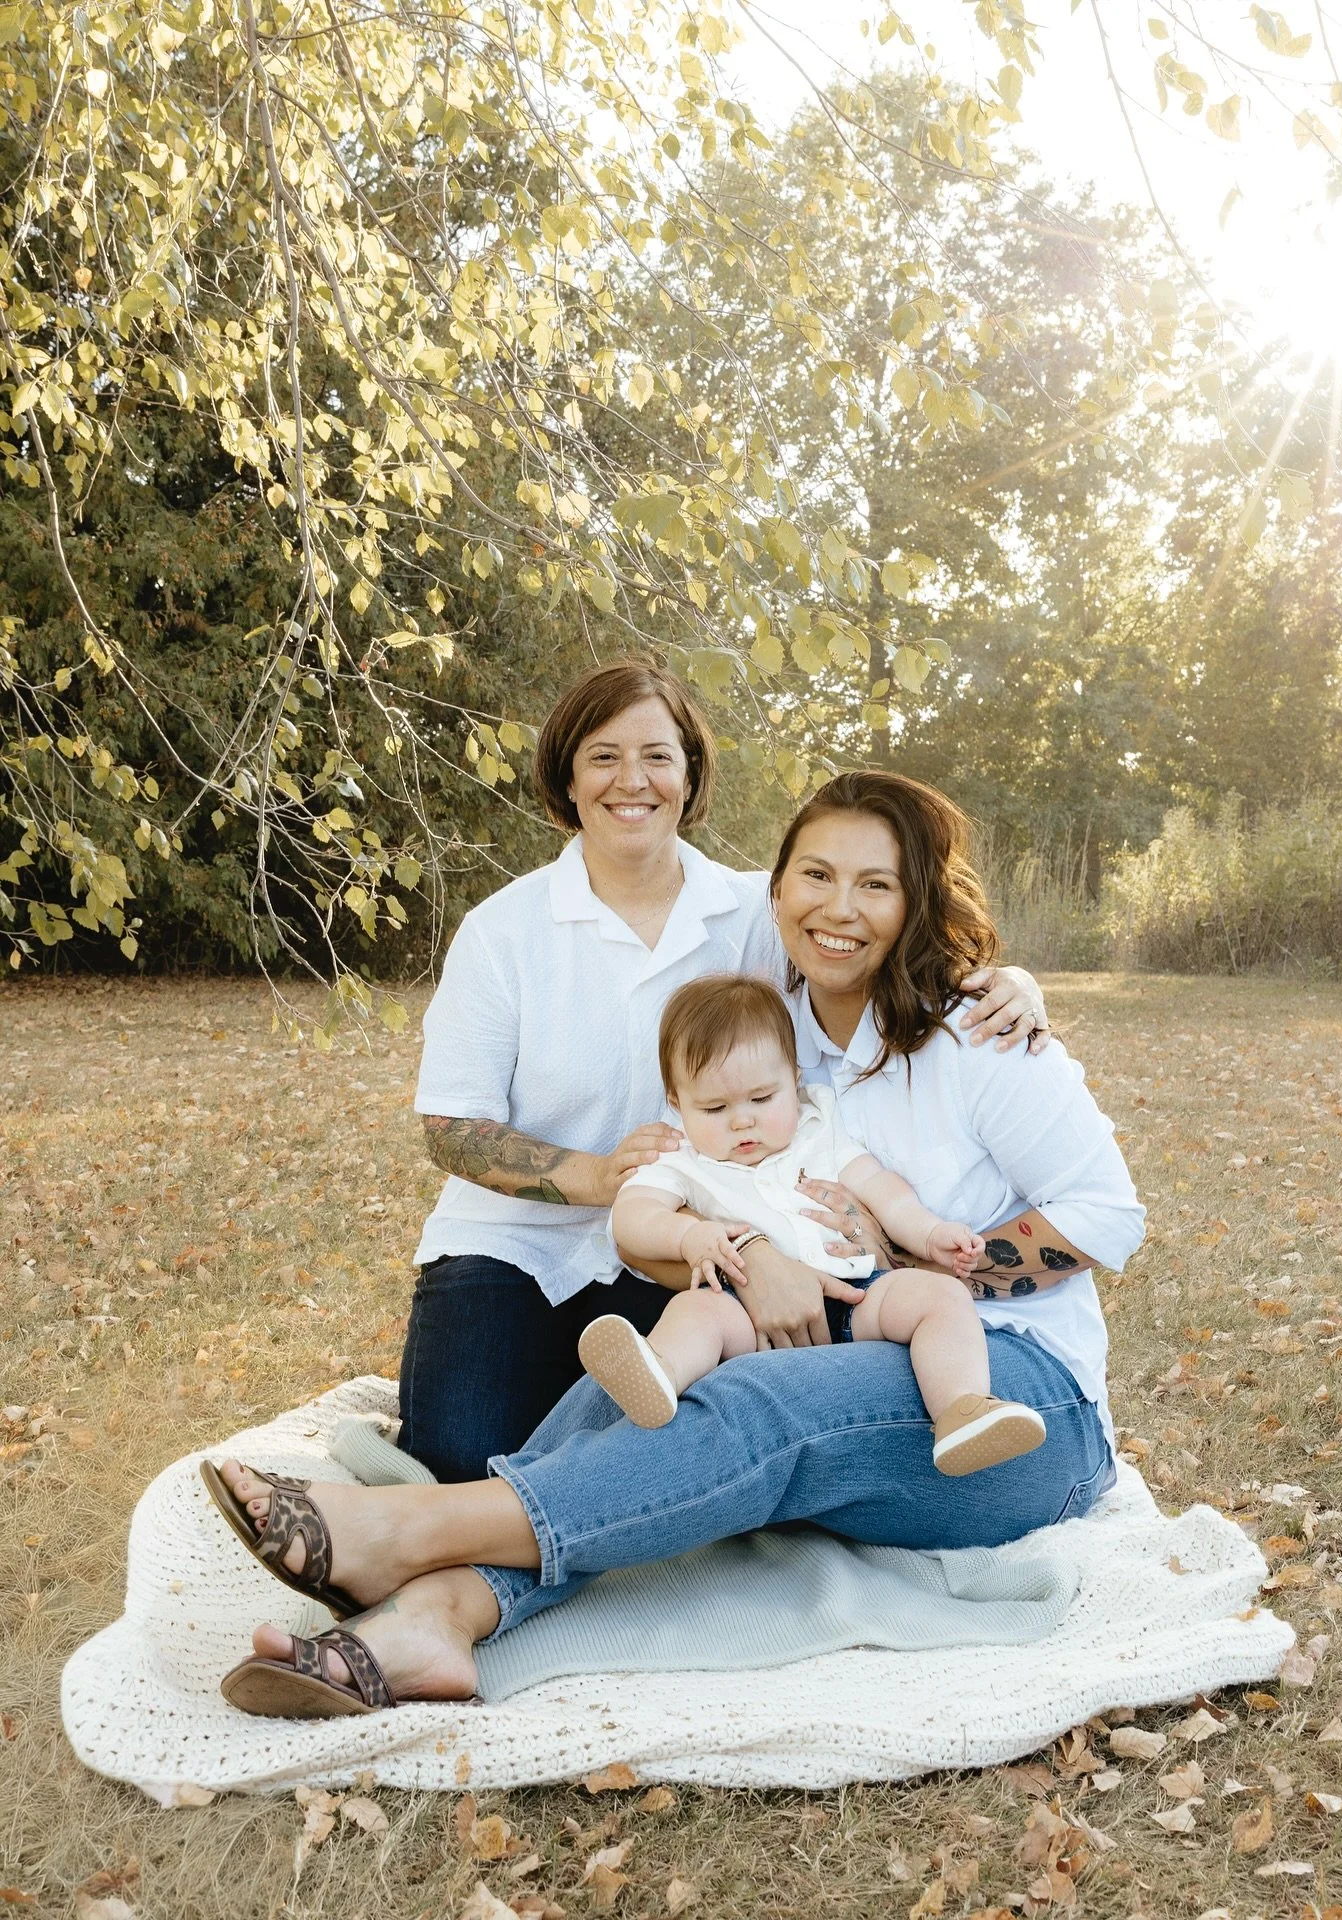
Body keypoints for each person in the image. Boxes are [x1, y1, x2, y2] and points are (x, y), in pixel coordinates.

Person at [206, 767, 1144, 1719]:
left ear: (917, 903)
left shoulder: (980, 1036)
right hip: (845, 1357)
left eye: (877, 884)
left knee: (751, 1401)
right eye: (816, 875)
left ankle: (404, 1533)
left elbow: (1107, 1215)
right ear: (774, 889)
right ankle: (435, 1619)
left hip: (1017, 1405)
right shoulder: (774, 1038)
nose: (839, 908)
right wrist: (754, 1254)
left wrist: (908, 1266)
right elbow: (681, 1218)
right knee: (650, 1383)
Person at [397, 659, 1049, 1479]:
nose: (632, 780)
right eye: (603, 756)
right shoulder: (502, 931)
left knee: (669, 1462)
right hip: (514, 1248)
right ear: (566, 775)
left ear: (691, 773)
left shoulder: (755, 913)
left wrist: (1010, 981)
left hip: (700, 1241)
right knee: (459, 1459)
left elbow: (874, 952)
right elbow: (451, 1127)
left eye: (657, 756)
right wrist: (600, 1177)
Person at [585, 974, 1047, 1477]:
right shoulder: (681, 1157)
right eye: (714, 1108)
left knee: (942, 1297)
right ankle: (662, 1373)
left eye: (763, 1098)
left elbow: (880, 1186)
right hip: (748, 1315)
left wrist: (929, 1233)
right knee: (694, 1310)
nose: (742, 1121)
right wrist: (688, 1235)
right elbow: (631, 1217)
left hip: (856, 1296)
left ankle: (962, 1408)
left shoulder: (818, 1125)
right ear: (677, 1101)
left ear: (795, 1079)